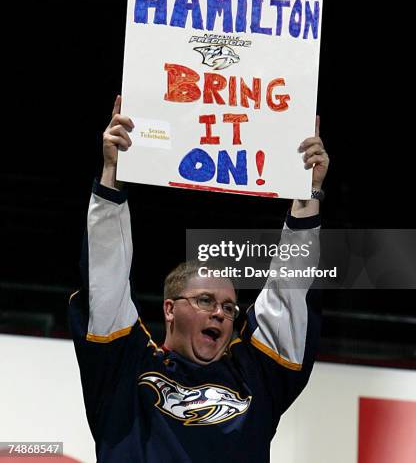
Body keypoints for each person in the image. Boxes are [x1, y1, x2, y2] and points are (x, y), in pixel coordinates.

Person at [69, 95, 329, 462]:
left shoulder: (255, 379)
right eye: (206, 300)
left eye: (228, 306)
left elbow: (291, 292)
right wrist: (111, 176)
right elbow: (105, 280)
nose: (221, 313)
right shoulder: (124, 369)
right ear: (170, 308)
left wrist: (308, 195)